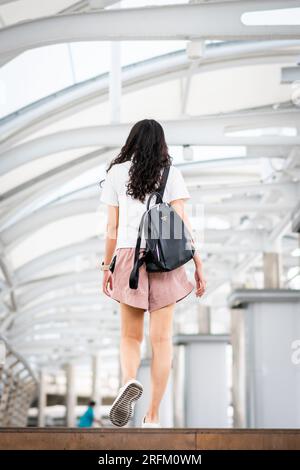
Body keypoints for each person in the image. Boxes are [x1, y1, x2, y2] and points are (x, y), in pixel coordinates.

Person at [100, 119, 206, 428]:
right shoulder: (171, 174)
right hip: (165, 259)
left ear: (131, 141)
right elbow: (183, 225)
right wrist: (198, 264)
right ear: (161, 144)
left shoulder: (116, 174)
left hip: (128, 257)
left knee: (130, 336)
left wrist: (108, 267)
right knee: (162, 340)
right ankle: (153, 415)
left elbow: (111, 228)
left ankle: (130, 381)